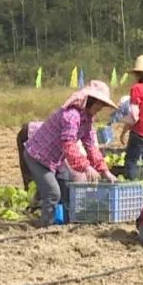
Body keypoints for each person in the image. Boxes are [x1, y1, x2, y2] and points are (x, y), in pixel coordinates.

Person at [22, 80, 117, 226]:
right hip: (38, 157)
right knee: (53, 193)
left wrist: (104, 171)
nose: (101, 108)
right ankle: (45, 226)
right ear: (91, 100)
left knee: (68, 191)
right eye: (100, 104)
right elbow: (69, 145)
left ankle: (65, 223)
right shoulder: (72, 115)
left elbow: (91, 146)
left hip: (56, 160)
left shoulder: (88, 119)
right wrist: (86, 167)